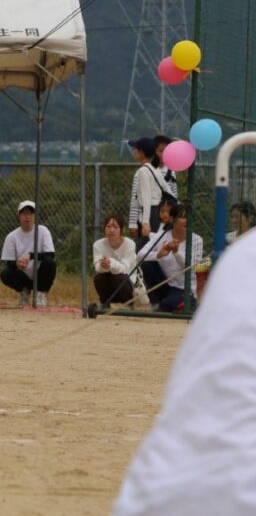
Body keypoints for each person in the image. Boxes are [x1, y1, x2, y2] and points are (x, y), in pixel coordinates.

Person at [112, 233, 256, 516]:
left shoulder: (239, 255)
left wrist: (177, 254)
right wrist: (165, 251)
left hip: (151, 496)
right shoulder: (238, 257)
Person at [135, 203, 203, 313]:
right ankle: (157, 303)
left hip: (184, 288)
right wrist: (158, 254)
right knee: (147, 264)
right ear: (172, 219)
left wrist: (176, 252)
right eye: (182, 217)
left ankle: (184, 303)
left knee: (167, 304)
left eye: (189, 217)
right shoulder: (162, 235)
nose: (186, 220)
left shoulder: (197, 240)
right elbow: (139, 256)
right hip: (165, 285)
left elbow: (192, 269)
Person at [0, 200, 57, 307]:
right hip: (23, 275)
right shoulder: (11, 236)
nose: (27, 216)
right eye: (24, 213)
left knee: (50, 263)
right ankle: (24, 292)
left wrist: (31, 255)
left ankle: (41, 294)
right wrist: (17, 264)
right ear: (19, 216)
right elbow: (9, 262)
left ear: (35, 216)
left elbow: (50, 254)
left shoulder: (43, 231)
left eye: (31, 213)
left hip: (40, 274)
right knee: (5, 274)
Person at [128, 136, 174, 239]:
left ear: (142, 153)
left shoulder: (143, 171)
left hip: (150, 213)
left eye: (136, 149)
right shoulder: (155, 169)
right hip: (158, 211)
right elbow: (168, 191)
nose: (134, 152)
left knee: (146, 246)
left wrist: (145, 222)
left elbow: (146, 197)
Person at [92, 214, 137, 305]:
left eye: (115, 227)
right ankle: (105, 303)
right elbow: (97, 267)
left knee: (119, 278)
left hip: (126, 284)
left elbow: (125, 269)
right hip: (109, 285)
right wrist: (103, 265)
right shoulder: (97, 245)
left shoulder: (130, 244)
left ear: (122, 229)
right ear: (104, 229)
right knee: (98, 278)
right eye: (108, 227)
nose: (111, 230)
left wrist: (111, 263)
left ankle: (128, 304)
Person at [152, 135, 179, 200]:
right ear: (153, 151)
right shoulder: (146, 170)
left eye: (166, 151)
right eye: (161, 151)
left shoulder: (171, 171)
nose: (164, 154)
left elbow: (174, 195)